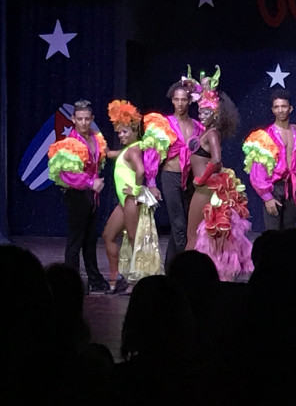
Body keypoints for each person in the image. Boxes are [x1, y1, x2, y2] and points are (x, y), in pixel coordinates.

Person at [185, 66, 254, 281]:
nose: (201, 115)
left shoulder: (212, 133)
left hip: (205, 189)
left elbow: (216, 160)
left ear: (215, 114)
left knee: (192, 237)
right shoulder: (207, 132)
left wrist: (201, 179)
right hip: (207, 188)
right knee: (203, 237)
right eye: (200, 112)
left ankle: (187, 278)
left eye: (206, 112)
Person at [142, 70, 204, 272]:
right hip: (171, 176)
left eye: (184, 99)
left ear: (190, 101)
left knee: (187, 223)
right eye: (176, 99)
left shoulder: (198, 126)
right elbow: (151, 154)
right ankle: (186, 269)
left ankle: (171, 269)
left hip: (191, 179)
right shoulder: (164, 124)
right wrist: (151, 183)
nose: (180, 103)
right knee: (178, 223)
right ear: (172, 101)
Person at [47, 99, 110, 293]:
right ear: (73, 119)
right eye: (80, 119)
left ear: (92, 119)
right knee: (76, 240)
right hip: (76, 196)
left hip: (92, 197)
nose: (83, 122)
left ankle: (94, 278)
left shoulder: (96, 138)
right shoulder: (70, 143)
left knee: (90, 240)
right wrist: (91, 183)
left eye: (87, 119)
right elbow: (67, 174)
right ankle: (71, 281)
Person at [101, 99, 162, 294]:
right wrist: (98, 142)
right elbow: (111, 154)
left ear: (135, 130)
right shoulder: (127, 150)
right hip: (124, 202)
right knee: (108, 235)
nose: (121, 135)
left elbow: (141, 170)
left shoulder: (134, 149)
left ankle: (138, 283)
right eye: (119, 132)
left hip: (131, 200)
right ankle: (115, 279)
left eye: (125, 132)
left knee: (136, 238)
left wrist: (135, 190)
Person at [242, 88, 296, 231]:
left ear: (290, 108)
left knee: (289, 232)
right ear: (272, 110)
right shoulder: (265, 137)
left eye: (284, 106)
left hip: (291, 188)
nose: (280, 110)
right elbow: (258, 171)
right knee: (273, 234)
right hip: (274, 188)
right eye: (276, 107)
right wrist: (267, 197)